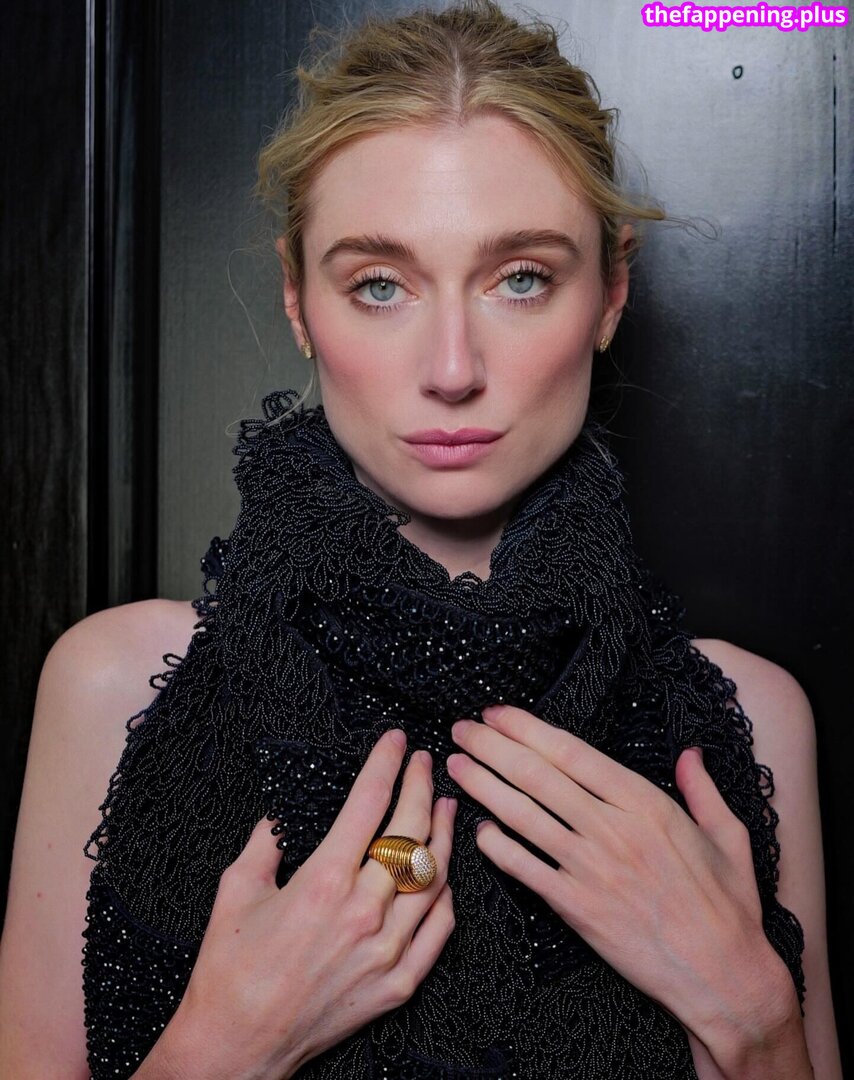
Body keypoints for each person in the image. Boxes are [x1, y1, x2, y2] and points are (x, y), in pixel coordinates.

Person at [0, 1, 842, 1077]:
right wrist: (227, 1045)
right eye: (380, 285)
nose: (452, 368)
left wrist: (754, 1018)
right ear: (298, 301)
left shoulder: (751, 722)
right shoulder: (110, 688)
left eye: (520, 278)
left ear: (610, 294)